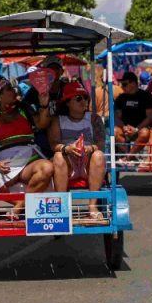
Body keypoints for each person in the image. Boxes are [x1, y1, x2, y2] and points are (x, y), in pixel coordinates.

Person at [0, 76, 54, 216]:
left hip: (29, 161)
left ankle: (20, 206)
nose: (15, 90)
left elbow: (42, 124)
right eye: (9, 89)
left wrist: (44, 105)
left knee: (47, 168)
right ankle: (22, 205)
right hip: (5, 165)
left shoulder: (24, 109)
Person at [48, 82, 107, 219]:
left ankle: (92, 206)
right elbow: (53, 144)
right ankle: (62, 206)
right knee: (58, 156)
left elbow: (101, 144)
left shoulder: (94, 118)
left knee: (98, 155)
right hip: (69, 163)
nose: (84, 101)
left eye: (85, 98)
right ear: (67, 102)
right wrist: (67, 149)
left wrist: (90, 148)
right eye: (78, 98)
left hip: (88, 162)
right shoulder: (58, 120)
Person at [21, 55, 67, 155]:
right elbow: (25, 107)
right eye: (50, 69)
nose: (54, 71)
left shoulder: (67, 88)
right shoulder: (34, 91)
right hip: (42, 133)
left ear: (62, 71)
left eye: (56, 68)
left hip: (66, 129)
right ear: (44, 72)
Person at [113, 71, 152, 154]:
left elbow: (150, 117)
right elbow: (116, 116)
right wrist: (124, 127)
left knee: (144, 133)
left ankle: (128, 157)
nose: (122, 87)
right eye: (121, 84)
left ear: (133, 83)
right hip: (125, 129)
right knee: (114, 131)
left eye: (124, 84)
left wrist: (136, 129)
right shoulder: (120, 98)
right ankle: (129, 156)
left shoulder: (147, 97)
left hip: (141, 129)